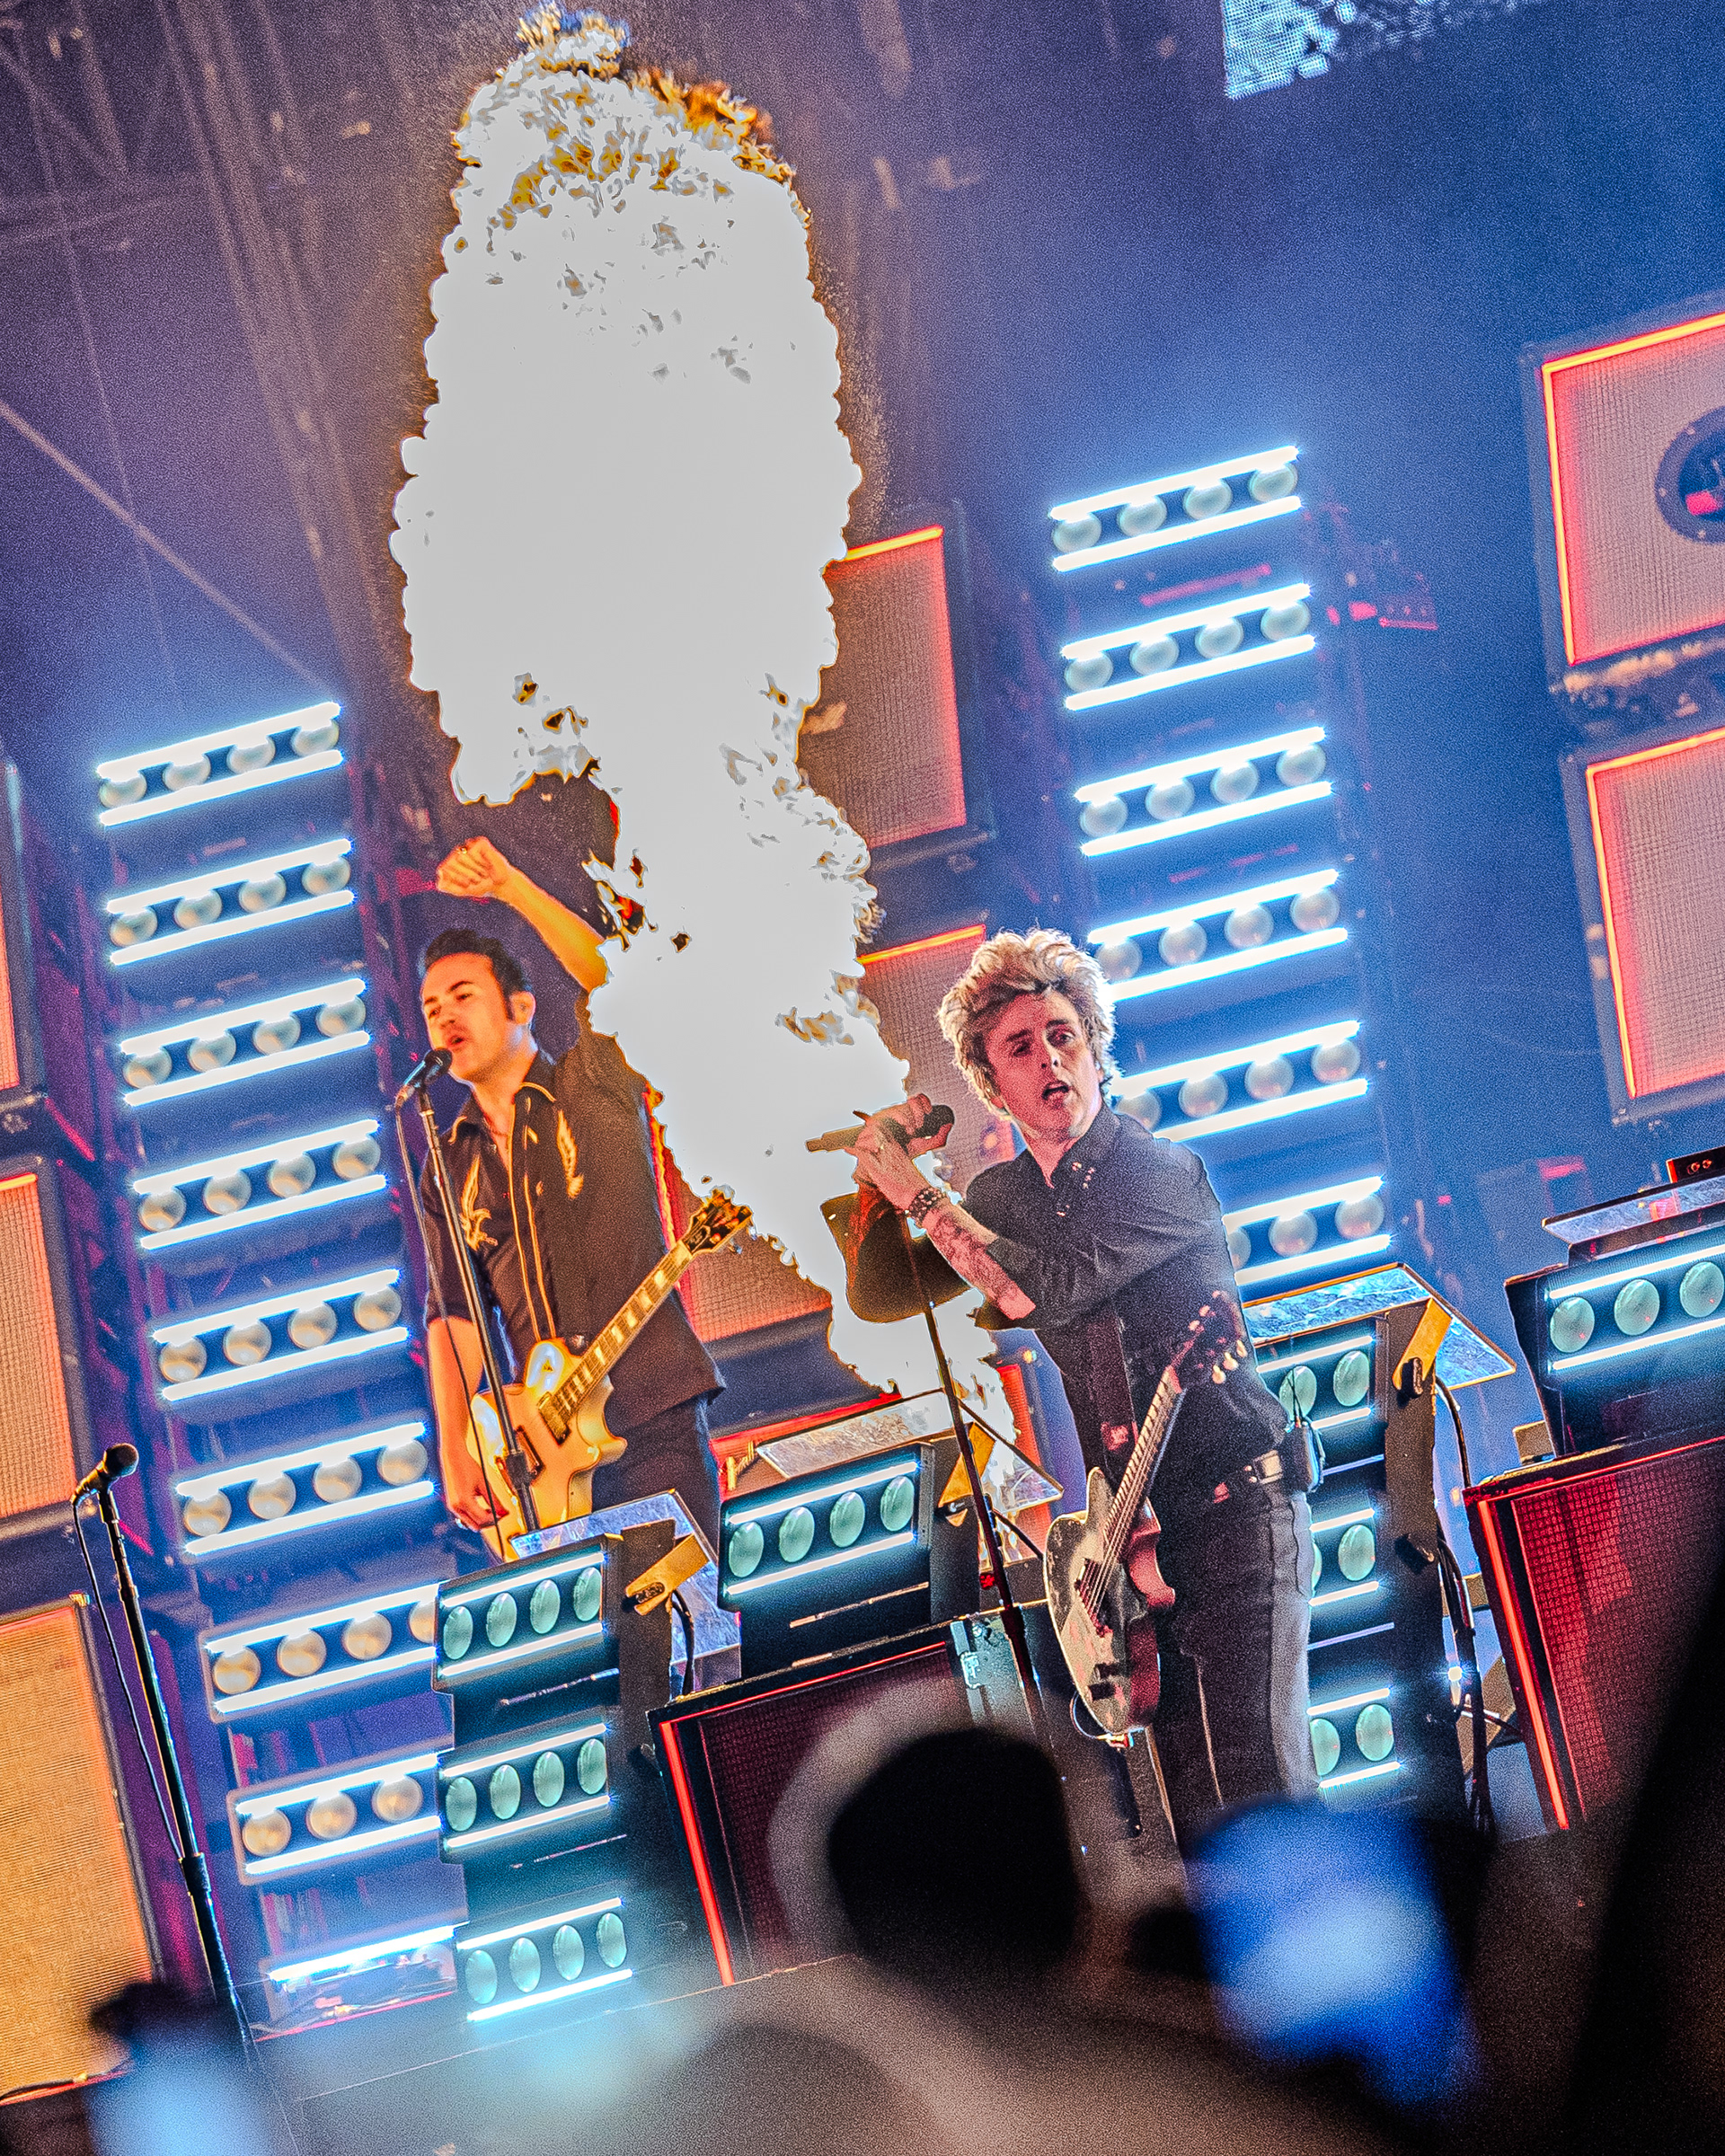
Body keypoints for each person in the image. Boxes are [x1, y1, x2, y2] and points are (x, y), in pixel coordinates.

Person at [847, 927, 1314, 1846]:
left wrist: (920, 1194)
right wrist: (879, 1174)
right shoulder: (1006, 1199)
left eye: (1063, 1035)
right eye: (1021, 1047)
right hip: (1134, 1537)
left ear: (1094, 1048)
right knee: (1193, 1819)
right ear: (994, 1086)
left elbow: (1045, 1292)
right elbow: (881, 1294)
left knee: (1260, 1789)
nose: (1049, 1058)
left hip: (1236, 1516)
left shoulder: (1159, 1172)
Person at [414, 835, 721, 1544]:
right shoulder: (447, 1163)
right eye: (431, 1009)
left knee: (682, 1604)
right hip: (540, 1459)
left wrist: (512, 887)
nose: (446, 1017)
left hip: (648, 1411)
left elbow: (616, 990)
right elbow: (454, 1313)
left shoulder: (590, 1084)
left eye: (464, 997)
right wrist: (455, 1446)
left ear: (520, 1007)